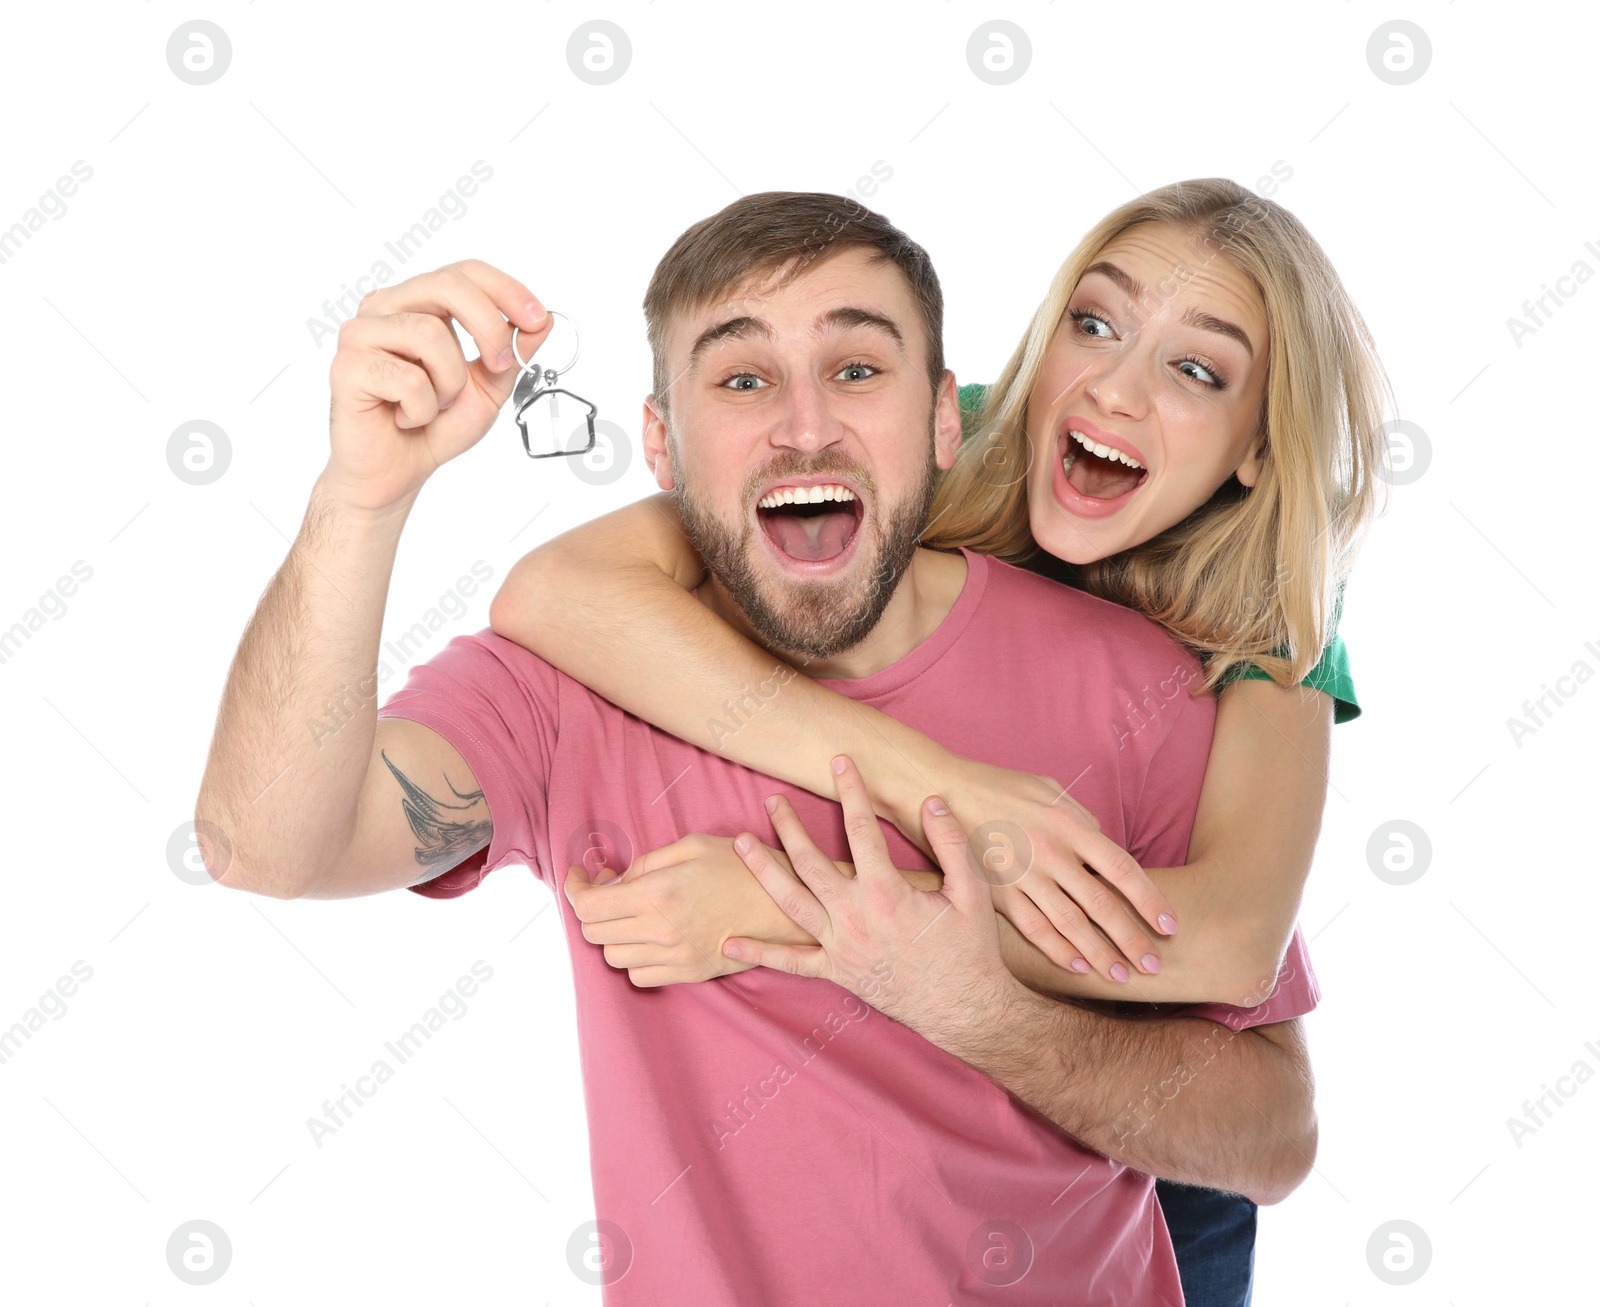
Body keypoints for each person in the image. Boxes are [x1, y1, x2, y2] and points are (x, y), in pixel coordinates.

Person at [195, 193, 1318, 1305]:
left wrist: (937, 977)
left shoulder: (1196, 669)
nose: (804, 423)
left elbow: (1266, 1114)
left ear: (941, 418)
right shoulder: (572, 672)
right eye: (740, 379)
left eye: (856, 369)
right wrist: (360, 498)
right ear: (659, 444)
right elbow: (265, 845)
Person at [486, 178, 1388, 1306]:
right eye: (1093, 323)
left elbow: (1220, 944)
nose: (1114, 389)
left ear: (1259, 445)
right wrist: (948, 790)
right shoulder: (924, 430)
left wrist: (800, 911)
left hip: (1151, 1145)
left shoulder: (1272, 618)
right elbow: (559, 589)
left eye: (1195, 369)